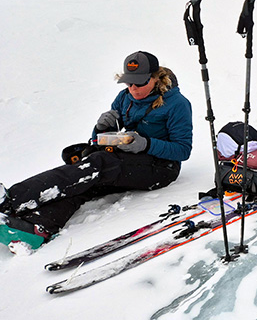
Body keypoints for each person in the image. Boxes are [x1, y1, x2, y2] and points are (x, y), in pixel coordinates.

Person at [0, 51, 193, 251]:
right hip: (129, 159)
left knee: (98, 164)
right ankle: (37, 228)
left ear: (155, 78)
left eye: (140, 83)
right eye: (129, 84)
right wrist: (101, 129)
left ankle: (11, 199)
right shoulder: (124, 98)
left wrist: (146, 144)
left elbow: (183, 150)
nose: (134, 89)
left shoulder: (177, 104)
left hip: (161, 169)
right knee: (86, 179)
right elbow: (100, 140)